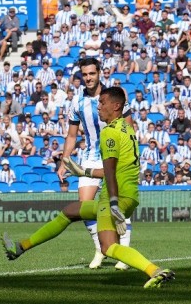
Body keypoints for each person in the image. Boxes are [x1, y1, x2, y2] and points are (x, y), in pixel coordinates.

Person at [2, 87, 175, 288]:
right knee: (70, 212)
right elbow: (116, 169)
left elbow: (110, 172)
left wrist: (112, 203)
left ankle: (154, 271)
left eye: (102, 103)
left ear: (116, 106)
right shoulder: (128, 130)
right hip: (128, 195)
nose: (98, 107)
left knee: (108, 247)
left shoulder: (109, 133)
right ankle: (21, 247)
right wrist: (84, 172)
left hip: (114, 197)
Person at [56, 58, 134, 270]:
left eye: (92, 73)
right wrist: (64, 161)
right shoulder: (76, 102)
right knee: (83, 207)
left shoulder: (114, 97)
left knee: (117, 205)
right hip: (90, 156)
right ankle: (101, 249)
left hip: (114, 155)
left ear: (100, 73)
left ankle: (123, 254)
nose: (89, 78)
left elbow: (129, 127)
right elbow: (71, 136)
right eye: (85, 74)